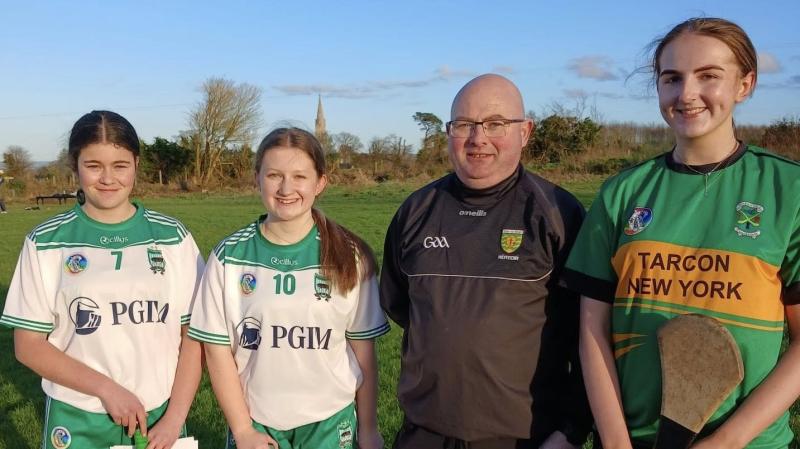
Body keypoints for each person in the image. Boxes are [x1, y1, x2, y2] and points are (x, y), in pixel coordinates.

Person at [561, 17, 800, 449]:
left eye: (708, 76)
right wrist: (616, 442)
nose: (687, 94)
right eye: (672, 78)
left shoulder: (790, 190)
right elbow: (591, 333)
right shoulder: (622, 192)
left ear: (744, 85)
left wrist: (725, 441)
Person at [380, 74, 592, 449]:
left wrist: (571, 432)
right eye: (464, 124)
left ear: (525, 132)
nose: (478, 138)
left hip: (524, 438)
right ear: (449, 132)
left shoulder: (558, 214)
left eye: (496, 124)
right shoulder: (415, 211)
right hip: (423, 435)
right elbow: (402, 307)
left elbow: (591, 336)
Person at [0, 110, 204, 449]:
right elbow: (28, 346)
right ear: (75, 165)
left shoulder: (173, 237)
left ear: (137, 164)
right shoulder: (47, 240)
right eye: (93, 165)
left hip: (159, 416)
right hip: (77, 414)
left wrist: (174, 418)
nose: (107, 178)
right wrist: (107, 389)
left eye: (120, 165)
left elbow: (193, 340)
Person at [189, 127, 389, 449]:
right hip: (257, 422)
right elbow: (217, 351)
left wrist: (368, 429)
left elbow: (363, 350)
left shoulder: (349, 256)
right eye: (274, 175)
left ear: (320, 182)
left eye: (299, 176)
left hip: (329, 422)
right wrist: (242, 430)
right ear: (257, 178)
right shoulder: (230, 256)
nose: (286, 188)